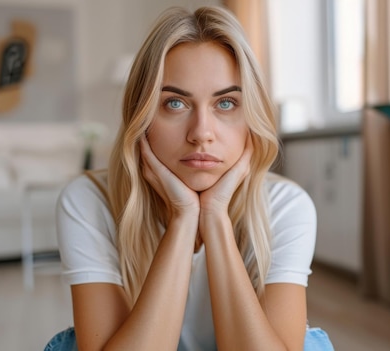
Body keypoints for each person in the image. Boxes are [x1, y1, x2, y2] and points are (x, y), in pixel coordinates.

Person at [46, 6, 334, 351]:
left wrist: (215, 217)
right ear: (142, 117)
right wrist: (183, 218)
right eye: (175, 104)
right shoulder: (89, 200)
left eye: (226, 103)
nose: (201, 133)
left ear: (252, 119)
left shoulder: (286, 206)